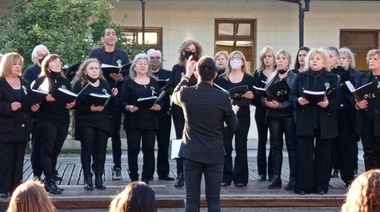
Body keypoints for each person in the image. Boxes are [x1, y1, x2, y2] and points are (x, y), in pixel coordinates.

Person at [172, 55, 239, 212]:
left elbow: (174, 94)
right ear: (215, 75)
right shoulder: (223, 96)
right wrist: (233, 112)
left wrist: (186, 75)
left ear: (196, 74)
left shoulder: (186, 94)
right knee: (214, 200)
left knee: (191, 199)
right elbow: (234, 126)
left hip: (191, 152)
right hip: (214, 153)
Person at [289, 48, 339, 195]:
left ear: (324, 61)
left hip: (325, 120)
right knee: (304, 154)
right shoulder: (301, 77)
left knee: (323, 156)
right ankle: (304, 186)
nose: (314, 61)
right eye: (312, 59)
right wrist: (298, 100)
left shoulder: (332, 77)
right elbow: (291, 96)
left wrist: (328, 103)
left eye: (318, 58)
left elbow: (338, 99)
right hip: (306, 120)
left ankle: (321, 186)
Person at [88, 27, 129, 180]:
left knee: (115, 134)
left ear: (116, 38)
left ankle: (117, 166)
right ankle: (96, 166)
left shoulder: (122, 54)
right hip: (99, 97)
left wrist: (121, 79)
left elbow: (127, 74)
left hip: (116, 99)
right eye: (108, 34)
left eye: (113, 34)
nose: (111, 36)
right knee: (98, 134)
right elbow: (88, 71)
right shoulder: (95, 53)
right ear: (102, 38)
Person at [32, 54, 75, 194]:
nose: (58, 64)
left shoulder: (65, 81)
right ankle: (49, 182)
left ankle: (50, 177)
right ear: (47, 65)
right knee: (47, 150)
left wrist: (72, 103)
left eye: (59, 62)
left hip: (62, 119)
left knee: (55, 151)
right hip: (46, 119)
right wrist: (44, 98)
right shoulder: (41, 80)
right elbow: (33, 99)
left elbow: (71, 96)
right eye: (54, 62)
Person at [72, 58, 118, 190]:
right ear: (85, 71)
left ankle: (99, 177)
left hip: (102, 121)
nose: (94, 70)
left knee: (101, 150)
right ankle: (87, 178)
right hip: (86, 120)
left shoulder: (104, 84)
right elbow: (74, 104)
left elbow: (111, 105)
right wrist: (89, 109)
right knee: (87, 149)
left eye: (96, 68)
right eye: (91, 68)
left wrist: (114, 96)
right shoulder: (80, 84)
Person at [0, 53, 40, 198]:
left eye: (19, 64)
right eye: (14, 64)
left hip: (22, 128)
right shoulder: (1, 82)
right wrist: (9, 106)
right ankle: (2, 188)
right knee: (4, 160)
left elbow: (28, 102)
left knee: (18, 161)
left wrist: (34, 109)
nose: (17, 67)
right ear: (7, 65)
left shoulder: (24, 83)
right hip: (5, 129)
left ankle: (16, 189)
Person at [215, 50, 254, 187]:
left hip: (243, 116)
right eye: (232, 58)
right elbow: (217, 97)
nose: (235, 61)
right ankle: (225, 177)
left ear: (243, 62)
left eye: (238, 58)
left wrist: (251, 96)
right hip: (226, 117)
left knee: (241, 147)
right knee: (226, 147)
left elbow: (257, 98)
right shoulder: (222, 78)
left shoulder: (249, 78)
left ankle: (240, 178)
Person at [121, 53, 162, 184]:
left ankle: (147, 177)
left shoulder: (154, 81)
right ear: (134, 67)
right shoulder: (128, 81)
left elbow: (159, 100)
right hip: (133, 120)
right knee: (133, 149)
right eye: (140, 63)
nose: (143, 65)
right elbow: (122, 100)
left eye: (145, 63)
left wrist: (158, 106)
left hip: (150, 120)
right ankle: (133, 177)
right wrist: (128, 107)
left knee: (149, 149)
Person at [167, 39, 203, 188]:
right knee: (179, 142)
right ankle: (180, 173)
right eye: (187, 49)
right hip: (179, 112)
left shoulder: (201, 67)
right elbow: (170, 87)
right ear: (183, 51)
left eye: (193, 49)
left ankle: (194, 173)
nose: (190, 51)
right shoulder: (177, 68)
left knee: (195, 142)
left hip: (196, 112)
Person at [263, 50, 297, 190]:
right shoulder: (272, 76)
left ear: (288, 61)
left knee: (291, 147)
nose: (280, 60)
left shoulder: (294, 77)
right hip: (273, 116)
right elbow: (264, 93)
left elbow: (295, 97)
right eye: (278, 58)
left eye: (284, 58)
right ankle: (276, 178)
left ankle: (293, 178)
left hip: (288, 115)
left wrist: (281, 105)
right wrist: (266, 102)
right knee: (275, 147)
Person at [329, 46, 360, 186]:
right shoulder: (325, 74)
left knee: (346, 147)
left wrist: (352, 102)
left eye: (342, 58)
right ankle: (323, 178)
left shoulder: (347, 75)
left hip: (345, 116)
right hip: (329, 115)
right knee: (328, 148)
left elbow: (352, 94)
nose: (340, 60)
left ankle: (348, 176)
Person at [22, 44, 49, 180]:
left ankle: (50, 173)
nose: (42, 57)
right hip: (36, 115)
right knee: (37, 145)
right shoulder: (30, 71)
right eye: (40, 54)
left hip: (50, 115)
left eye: (45, 54)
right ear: (35, 57)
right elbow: (27, 92)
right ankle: (36, 174)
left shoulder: (52, 72)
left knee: (49, 146)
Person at [147, 49, 174, 181]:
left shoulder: (168, 74)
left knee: (163, 144)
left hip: (164, 113)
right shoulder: (144, 74)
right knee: (149, 144)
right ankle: (149, 172)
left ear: (161, 59)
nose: (154, 59)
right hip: (148, 113)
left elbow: (175, 88)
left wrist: (167, 88)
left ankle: (163, 172)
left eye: (157, 57)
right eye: (151, 57)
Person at [355, 49, 380, 171]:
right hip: (366, 119)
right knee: (369, 152)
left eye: (375, 59)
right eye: (370, 59)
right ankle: (370, 181)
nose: (371, 61)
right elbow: (355, 95)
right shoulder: (363, 76)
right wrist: (357, 104)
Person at [252, 46, 275, 181]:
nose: (267, 59)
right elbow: (254, 95)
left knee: (274, 141)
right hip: (261, 111)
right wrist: (262, 101)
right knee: (262, 141)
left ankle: (273, 171)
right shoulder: (257, 74)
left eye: (269, 56)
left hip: (274, 111)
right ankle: (262, 172)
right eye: (264, 57)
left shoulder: (278, 73)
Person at [339, 47, 361, 178]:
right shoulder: (336, 74)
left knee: (351, 143)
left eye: (343, 58)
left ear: (349, 60)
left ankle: (353, 167)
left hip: (351, 112)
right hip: (339, 112)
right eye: (339, 58)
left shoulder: (355, 74)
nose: (341, 60)